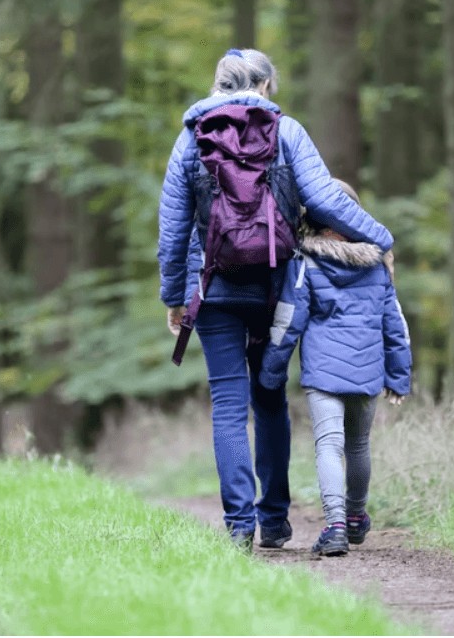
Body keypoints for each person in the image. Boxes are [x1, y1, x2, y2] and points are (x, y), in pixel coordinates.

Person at [157, 48, 394, 550]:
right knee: (269, 398)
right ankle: (276, 521)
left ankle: (239, 526)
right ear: (265, 86)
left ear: (217, 85)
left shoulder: (189, 139)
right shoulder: (287, 131)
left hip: (214, 287)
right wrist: (381, 239)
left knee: (227, 404)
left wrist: (174, 295)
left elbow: (173, 230)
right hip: (276, 286)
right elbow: (327, 199)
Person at [259, 180, 411, 557]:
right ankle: (357, 517)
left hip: (324, 374)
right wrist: (398, 375)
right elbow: (395, 325)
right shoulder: (378, 265)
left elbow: (288, 320)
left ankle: (336, 525)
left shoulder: (306, 263)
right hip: (367, 371)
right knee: (359, 445)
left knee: (329, 445)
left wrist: (271, 371)